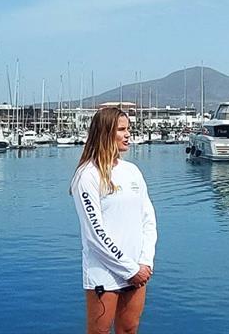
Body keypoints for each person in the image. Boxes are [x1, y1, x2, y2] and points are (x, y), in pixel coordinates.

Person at [71, 107, 157, 334]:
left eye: (128, 129)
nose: (128, 134)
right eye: (121, 129)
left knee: (130, 329)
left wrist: (145, 261)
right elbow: (94, 232)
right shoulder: (87, 175)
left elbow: (148, 219)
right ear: (105, 133)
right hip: (104, 272)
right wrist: (129, 268)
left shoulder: (132, 171)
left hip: (137, 269)